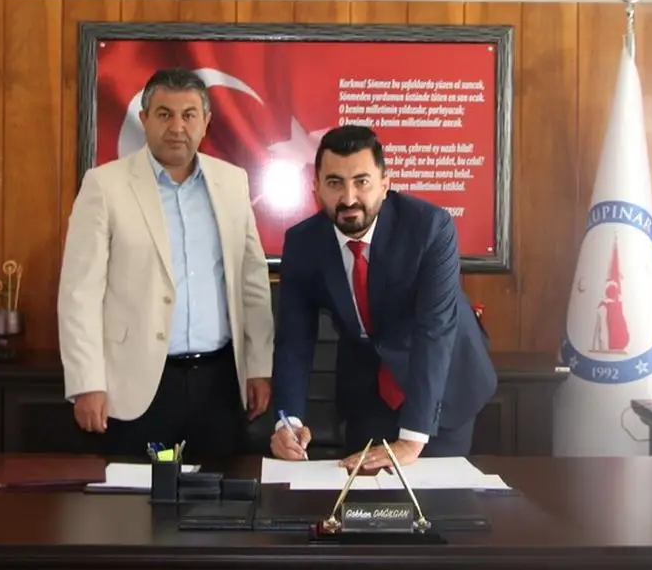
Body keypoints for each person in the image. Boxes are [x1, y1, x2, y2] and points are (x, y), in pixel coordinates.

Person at [56, 67, 274, 458]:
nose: (177, 127)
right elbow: (79, 294)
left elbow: (252, 284)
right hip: (135, 385)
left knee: (216, 492)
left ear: (206, 121)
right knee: (133, 496)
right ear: (144, 119)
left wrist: (259, 366)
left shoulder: (232, 182)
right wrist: (86, 383)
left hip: (219, 384)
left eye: (189, 115)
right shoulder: (105, 186)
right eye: (164, 114)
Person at [269, 125, 498, 470]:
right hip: (368, 389)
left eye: (361, 182)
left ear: (385, 183)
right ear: (316, 188)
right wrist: (288, 422)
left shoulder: (430, 228)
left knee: (435, 495)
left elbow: (434, 330)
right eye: (335, 183)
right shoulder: (304, 243)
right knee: (361, 492)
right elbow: (294, 340)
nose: (349, 199)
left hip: (442, 386)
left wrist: (412, 438)